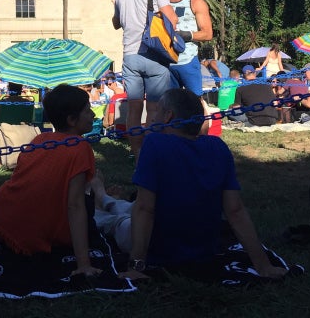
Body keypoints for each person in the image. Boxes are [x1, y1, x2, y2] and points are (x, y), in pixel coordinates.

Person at [121, 87, 288, 282]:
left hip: (159, 246)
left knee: (116, 220)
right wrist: (263, 264)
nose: (152, 116)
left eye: (157, 111)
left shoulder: (154, 144)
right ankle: (108, 200)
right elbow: (235, 210)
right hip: (202, 249)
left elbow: (144, 209)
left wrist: (136, 265)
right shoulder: (218, 147)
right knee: (126, 208)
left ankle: (104, 199)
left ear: (168, 116)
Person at [0, 84, 102, 278]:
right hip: (31, 231)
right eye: (87, 110)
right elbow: (75, 205)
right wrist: (83, 263)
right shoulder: (80, 148)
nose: (92, 114)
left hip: (2, 215)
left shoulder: (40, 139)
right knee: (88, 203)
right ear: (72, 120)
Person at [113, 0, 178, 155]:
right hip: (152, 54)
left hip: (130, 55)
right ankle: (151, 153)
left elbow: (116, 23)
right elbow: (171, 19)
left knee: (133, 109)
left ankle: (136, 153)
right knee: (153, 109)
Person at [165, 0, 213, 95]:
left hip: (187, 61)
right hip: (167, 63)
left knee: (195, 103)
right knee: (170, 105)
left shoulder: (196, 1)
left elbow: (208, 34)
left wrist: (186, 35)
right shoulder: (163, 0)